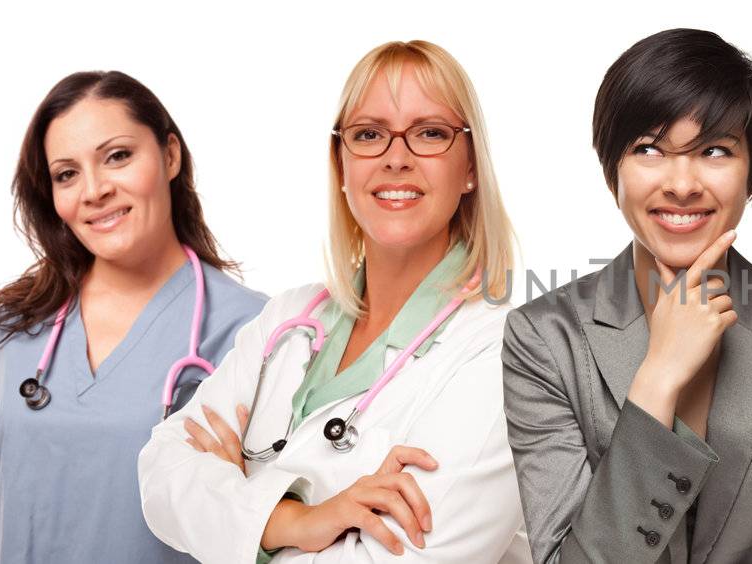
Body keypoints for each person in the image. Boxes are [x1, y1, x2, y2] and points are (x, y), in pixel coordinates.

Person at [501, 28, 752, 563]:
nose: (682, 184)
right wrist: (658, 375)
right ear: (611, 169)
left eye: (714, 150)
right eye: (649, 150)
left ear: (751, 173)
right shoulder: (544, 338)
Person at [136, 40, 529, 563]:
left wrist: (234, 513)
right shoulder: (287, 320)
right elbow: (160, 471)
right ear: (341, 164)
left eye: (429, 133)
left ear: (471, 167)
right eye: (368, 135)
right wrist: (296, 520)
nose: (395, 158)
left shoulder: (505, 353)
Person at [0, 70, 267, 563]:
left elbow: (275, 524)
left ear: (170, 156)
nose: (94, 190)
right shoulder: (15, 327)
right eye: (66, 174)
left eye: (117, 156)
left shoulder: (255, 332)